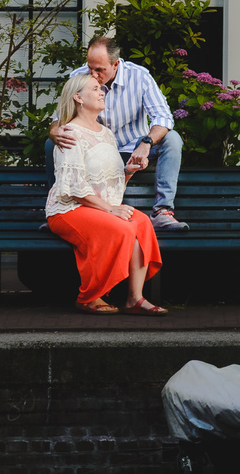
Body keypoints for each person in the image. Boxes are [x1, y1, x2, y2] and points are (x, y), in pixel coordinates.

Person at [45, 69, 165, 314]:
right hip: (69, 208)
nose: (102, 93)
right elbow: (76, 188)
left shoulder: (107, 134)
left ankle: (135, 299)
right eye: (95, 89)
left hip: (97, 207)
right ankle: (89, 297)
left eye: (101, 89)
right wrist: (110, 209)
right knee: (121, 228)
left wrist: (128, 171)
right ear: (78, 98)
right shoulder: (69, 133)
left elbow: (110, 185)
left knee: (141, 223)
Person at [50, 35, 188, 231]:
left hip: (134, 150)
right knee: (53, 142)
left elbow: (163, 118)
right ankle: (61, 210)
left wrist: (146, 143)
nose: (93, 74)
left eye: (99, 70)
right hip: (97, 152)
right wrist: (55, 132)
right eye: (90, 67)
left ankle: (162, 210)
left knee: (172, 139)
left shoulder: (139, 76)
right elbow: (60, 117)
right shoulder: (80, 76)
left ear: (115, 64)